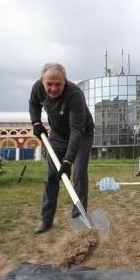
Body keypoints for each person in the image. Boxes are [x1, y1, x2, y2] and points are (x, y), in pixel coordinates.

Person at [29, 63, 95, 234]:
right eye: (49, 84)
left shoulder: (74, 95)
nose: (53, 88)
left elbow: (77, 129)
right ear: (42, 81)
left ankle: (78, 219)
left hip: (81, 134)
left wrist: (68, 160)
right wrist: (36, 122)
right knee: (52, 176)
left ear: (65, 81)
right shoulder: (38, 87)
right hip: (57, 135)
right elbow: (33, 103)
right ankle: (46, 218)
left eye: (58, 84)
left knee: (79, 173)